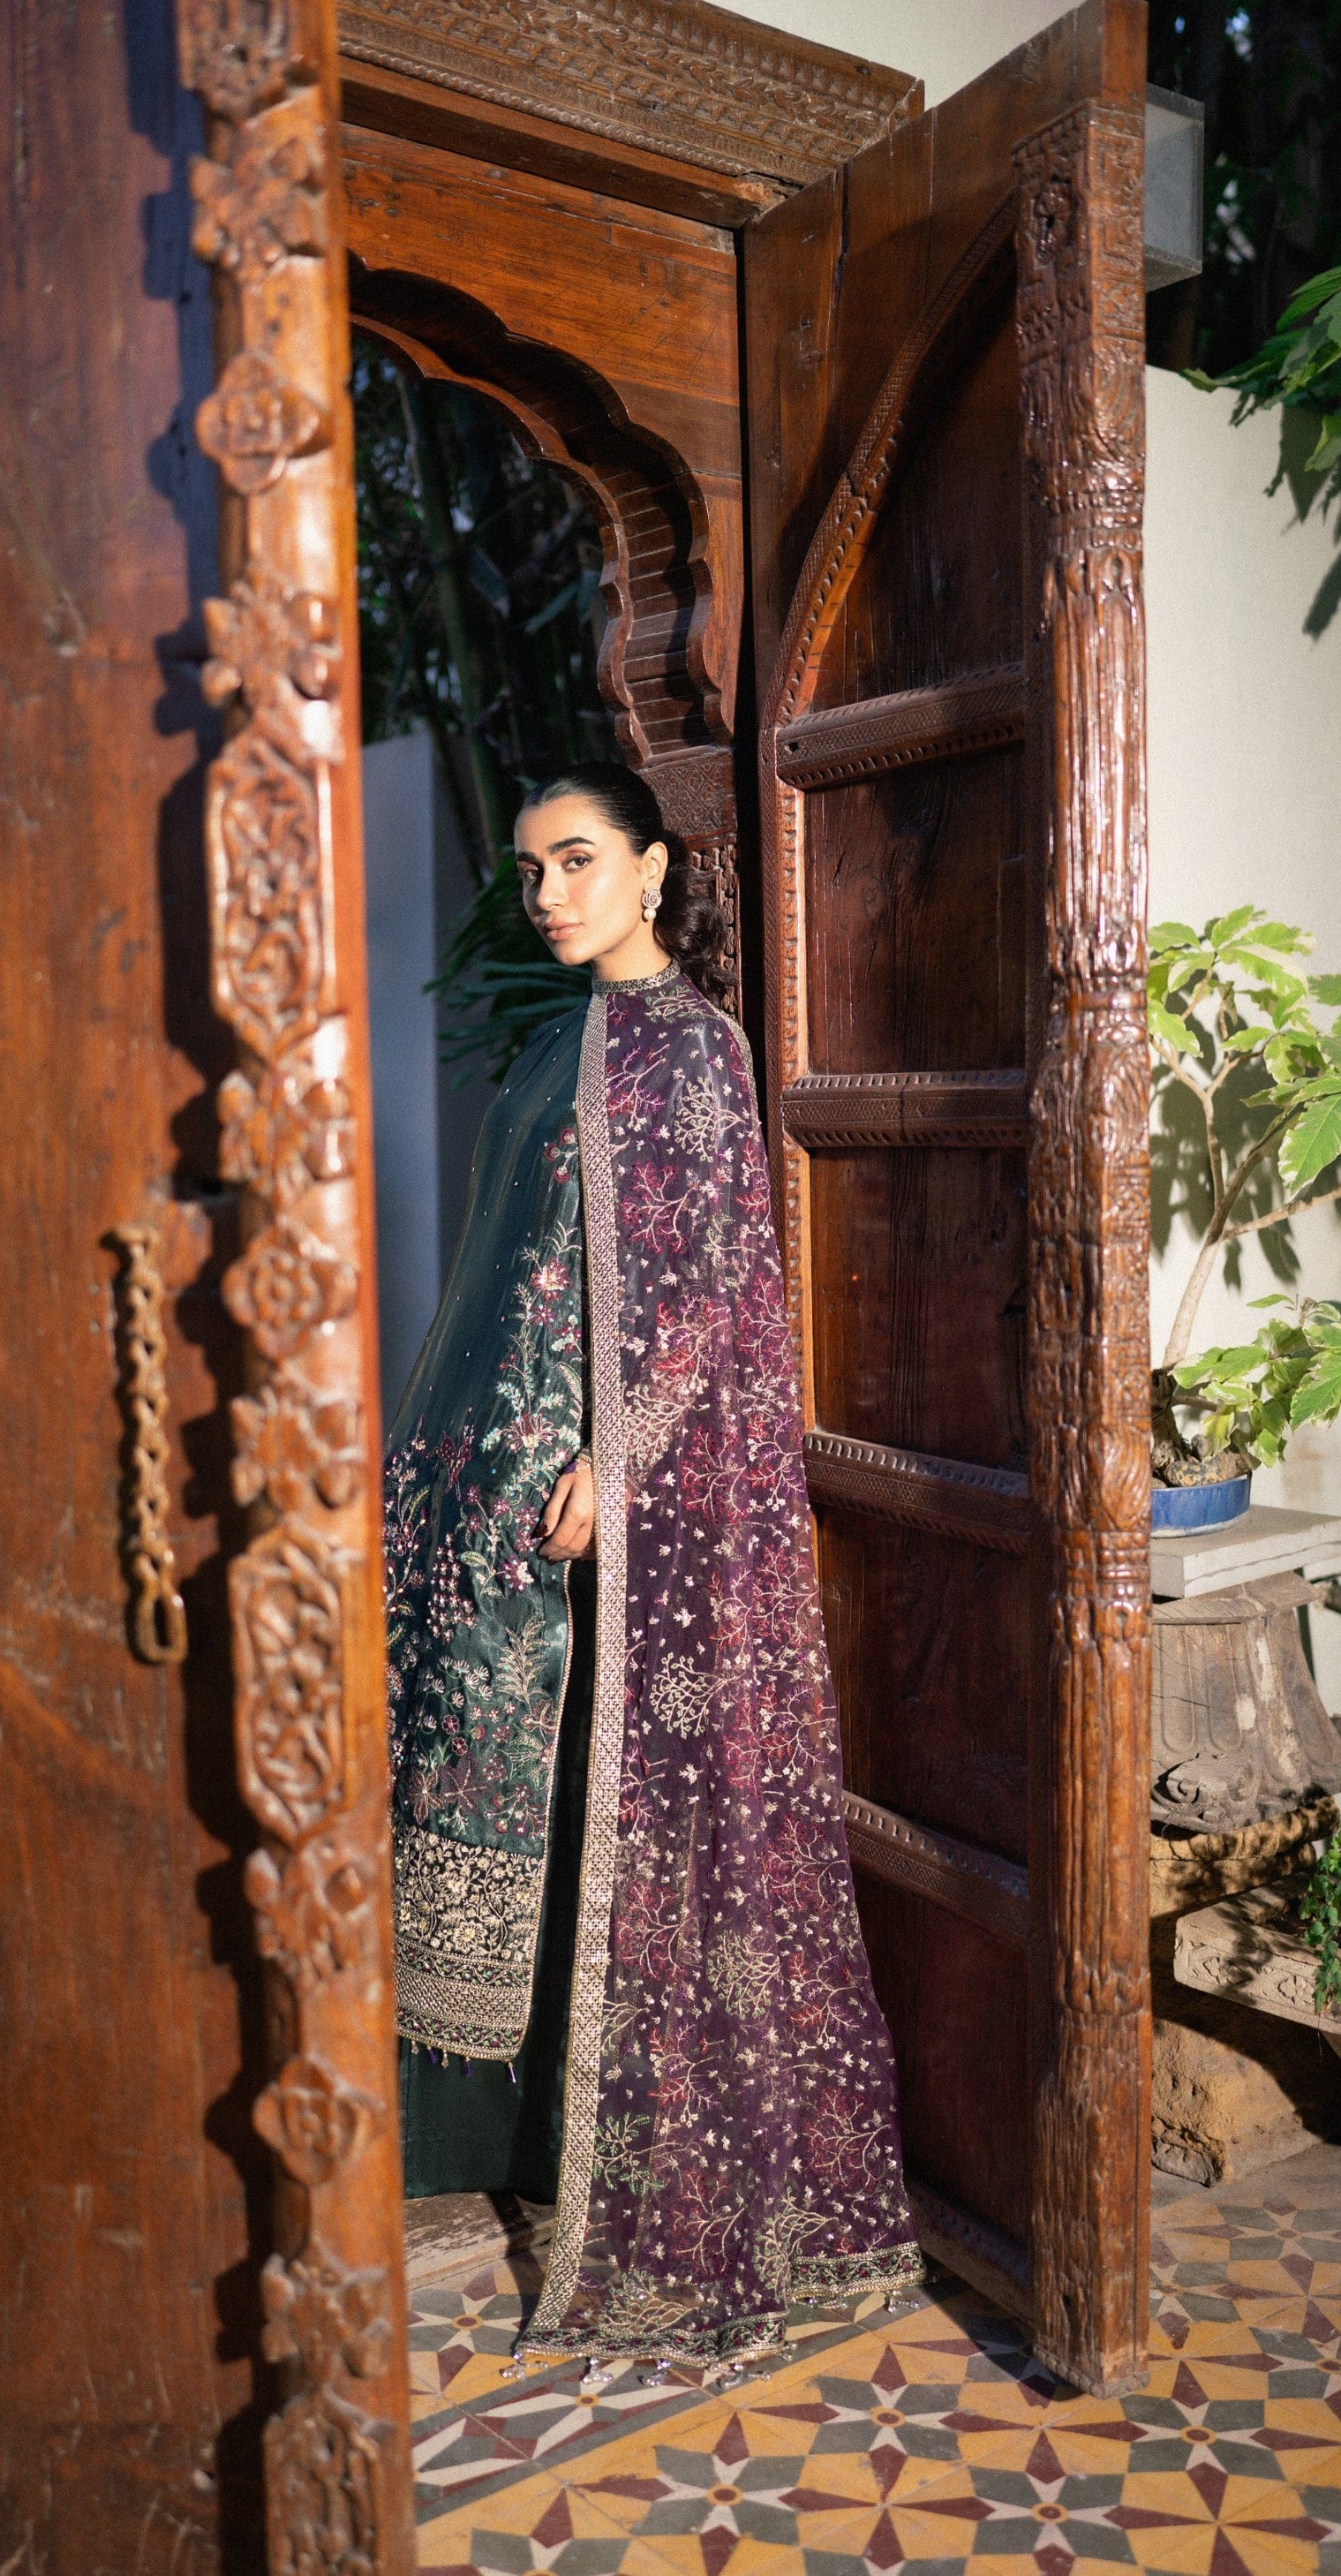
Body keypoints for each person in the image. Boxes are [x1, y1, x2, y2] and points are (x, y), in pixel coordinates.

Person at [383, 762, 919, 2376]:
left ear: (652, 868)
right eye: (532, 868)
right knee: (513, 1787)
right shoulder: (562, 1041)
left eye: (577, 861)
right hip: (498, 1484)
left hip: (612, 1496)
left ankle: (652, 2159)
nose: (548, 893)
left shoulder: (689, 1048)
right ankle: (501, 2131)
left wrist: (616, 1464)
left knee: (630, 1805)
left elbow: (705, 1280)